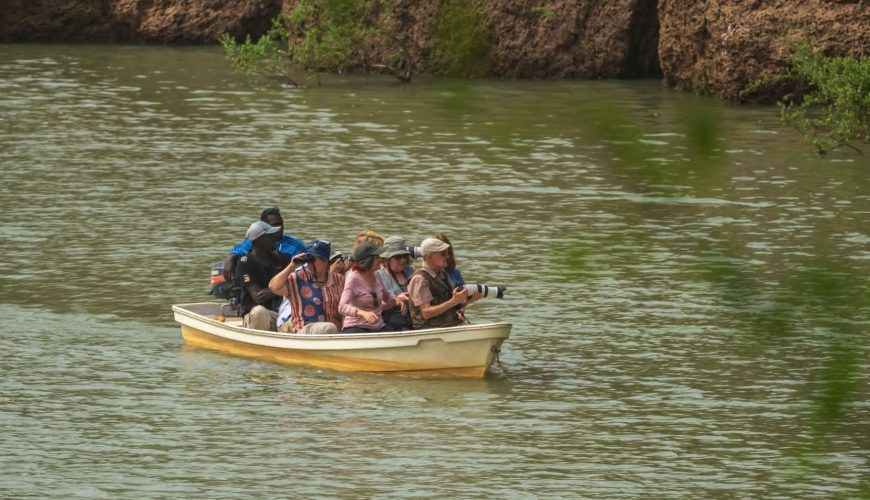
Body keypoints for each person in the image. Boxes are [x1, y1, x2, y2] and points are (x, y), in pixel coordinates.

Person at [269, 239, 345, 334]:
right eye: (308, 259)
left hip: (334, 332)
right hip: (305, 331)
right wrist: (292, 266)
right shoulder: (298, 277)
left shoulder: (339, 279)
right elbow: (273, 287)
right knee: (329, 328)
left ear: (325, 261)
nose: (309, 263)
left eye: (313, 260)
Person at [407, 238, 474, 329]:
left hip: (449, 326)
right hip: (430, 330)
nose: (447, 256)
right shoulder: (419, 279)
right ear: (429, 257)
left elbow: (451, 306)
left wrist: (467, 299)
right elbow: (426, 313)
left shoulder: (442, 274)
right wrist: (454, 301)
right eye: (443, 254)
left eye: (447, 253)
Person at [223, 207, 305, 282]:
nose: (280, 228)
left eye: (281, 224)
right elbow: (239, 250)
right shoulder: (254, 241)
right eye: (274, 225)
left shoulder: (296, 246)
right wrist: (230, 258)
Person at [236, 221, 291, 331]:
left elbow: (296, 286)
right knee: (259, 311)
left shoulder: (283, 259)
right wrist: (280, 290)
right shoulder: (245, 263)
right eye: (270, 236)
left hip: (279, 314)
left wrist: (272, 292)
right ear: (258, 240)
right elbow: (258, 297)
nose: (274, 238)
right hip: (254, 316)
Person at [339, 241, 404, 333]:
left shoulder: (376, 274)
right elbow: (342, 307)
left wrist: (396, 300)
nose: (381, 261)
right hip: (356, 326)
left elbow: (386, 295)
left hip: (378, 325)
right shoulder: (353, 278)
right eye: (377, 258)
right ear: (368, 261)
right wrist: (361, 313)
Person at [376, 236, 414, 330]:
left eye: (405, 256)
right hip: (391, 320)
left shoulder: (410, 270)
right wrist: (397, 300)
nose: (403, 260)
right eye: (398, 257)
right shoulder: (377, 276)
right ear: (387, 258)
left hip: (413, 316)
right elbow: (374, 309)